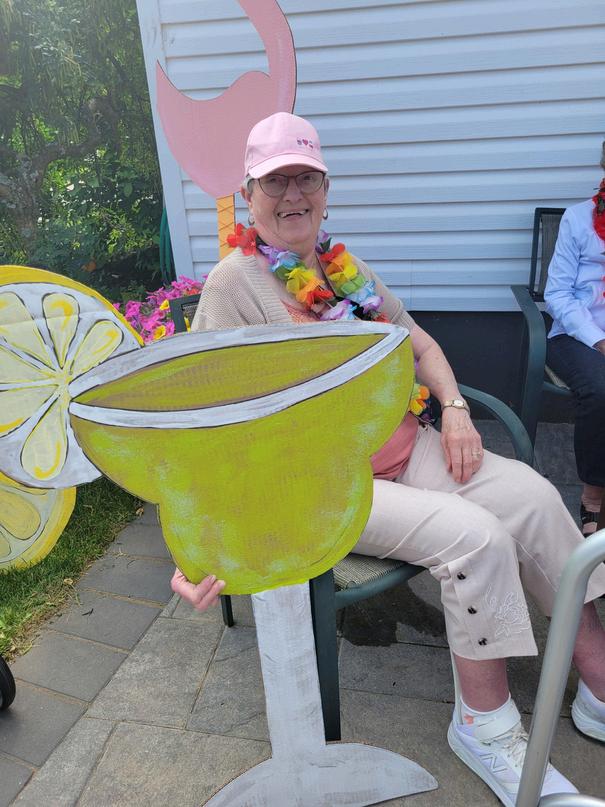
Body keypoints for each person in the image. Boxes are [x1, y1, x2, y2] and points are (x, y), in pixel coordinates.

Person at [172, 113, 605, 806]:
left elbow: (419, 345)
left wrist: (454, 408)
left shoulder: (345, 268)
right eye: (275, 181)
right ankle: (484, 726)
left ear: (325, 189)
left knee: (533, 497)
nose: (293, 194)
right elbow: (206, 421)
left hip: (411, 447)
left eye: (306, 177)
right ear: (248, 194)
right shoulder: (234, 285)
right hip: (326, 484)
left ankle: (596, 683)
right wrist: (201, 537)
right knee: (477, 538)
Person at [544, 142, 605, 536]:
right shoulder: (578, 219)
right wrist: (599, 341)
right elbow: (558, 294)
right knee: (601, 389)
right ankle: (593, 497)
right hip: (578, 333)